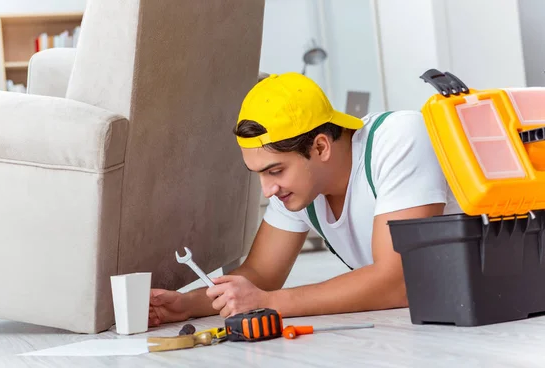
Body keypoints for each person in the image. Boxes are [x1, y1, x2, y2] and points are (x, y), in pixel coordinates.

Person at [148, 72, 461, 327]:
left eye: (275, 171)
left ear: (321, 147)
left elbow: (399, 281)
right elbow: (260, 275)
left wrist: (270, 304)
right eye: (259, 174)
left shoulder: (399, 138)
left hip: (480, 318)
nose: (268, 189)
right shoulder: (301, 188)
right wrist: (188, 304)